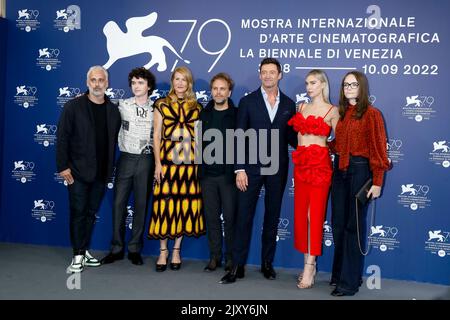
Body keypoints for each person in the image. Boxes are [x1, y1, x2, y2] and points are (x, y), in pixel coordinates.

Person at [220, 58, 297, 284]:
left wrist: (312, 134)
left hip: (277, 168)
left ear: (280, 75)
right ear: (259, 74)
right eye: (264, 72)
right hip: (250, 169)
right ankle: (237, 265)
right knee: (243, 216)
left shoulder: (289, 104)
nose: (268, 76)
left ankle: (267, 263)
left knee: (272, 216)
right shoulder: (248, 101)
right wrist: (239, 169)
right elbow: (239, 136)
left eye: (272, 72)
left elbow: (292, 138)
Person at [329, 71, 389, 296]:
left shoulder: (372, 114)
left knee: (353, 227)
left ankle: (349, 283)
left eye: (353, 84)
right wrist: (321, 144)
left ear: (362, 87)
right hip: (340, 172)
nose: (349, 88)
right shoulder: (342, 114)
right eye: (346, 85)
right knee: (338, 225)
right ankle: (340, 275)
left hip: (360, 172)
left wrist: (378, 181)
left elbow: (378, 150)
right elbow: (338, 145)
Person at [56, 65, 121, 273]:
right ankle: (77, 255)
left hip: (101, 173)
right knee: (78, 213)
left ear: (107, 83)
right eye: (93, 80)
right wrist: (63, 166)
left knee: (91, 214)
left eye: (101, 80)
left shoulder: (113, 110)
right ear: (87, 83)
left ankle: (83, 251)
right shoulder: (73, 107)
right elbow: (62, 137)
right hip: (76, 172)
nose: (97, 84)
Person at [148, 66, 205, 272]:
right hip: (166, 162)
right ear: (172, 81)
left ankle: (176, 250)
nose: (180, 83)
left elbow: (198, 139)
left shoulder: (197, 107)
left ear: (189, 83)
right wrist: (157, 164)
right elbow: (155, 135)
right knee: (164, 206)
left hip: (188, 164)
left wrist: (198, 165)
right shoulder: (161, 104)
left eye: (184, 80)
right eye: (177, 79)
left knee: (183, 205)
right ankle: (163, 250)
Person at [287, 70, 339, 289]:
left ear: (323, 84)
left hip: (319, 167)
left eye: (313, 82)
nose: (309, 87)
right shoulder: (301, 107)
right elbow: (299, 139)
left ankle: (310, 265)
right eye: (307, 83)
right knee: (302, 215)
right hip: (301, 165)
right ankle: (307, 262)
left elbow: (341, 141)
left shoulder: (332, 110)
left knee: (314, 215)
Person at [101, 67, 156, 266]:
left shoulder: (157, 108)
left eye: (140, 82)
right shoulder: (121, 105)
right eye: (133, 82)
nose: (136, 86)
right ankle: (116, 248)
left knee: (141, 205)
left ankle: (134, 249)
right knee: (118, 204)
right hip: (125, 158)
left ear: (149, 86)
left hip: (146, 160)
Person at [198, 73, 238, 272]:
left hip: (228, 176)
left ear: (229, 92)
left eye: (223, 88)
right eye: (215, 88)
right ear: (211, 91)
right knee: (212, 218)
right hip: (207, 176)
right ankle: (215, 257)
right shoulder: (203, 114)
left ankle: (231, 258)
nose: (219, 92)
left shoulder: (237, 114)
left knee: (230, 219)